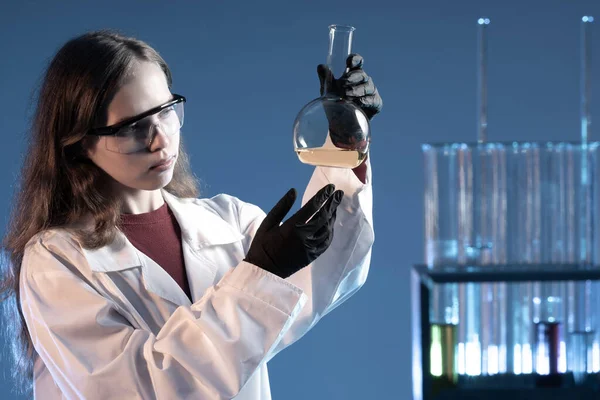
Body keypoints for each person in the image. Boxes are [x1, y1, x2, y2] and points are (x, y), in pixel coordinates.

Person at [0, 30, 382, 400]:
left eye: (165, 111)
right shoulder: (56, 261)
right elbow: (141, 389)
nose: (160, 139)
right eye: (134, 126)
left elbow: (326, 275)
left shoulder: (226, 222)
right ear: (80, 142)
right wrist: (259, 278)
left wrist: (348, 141)